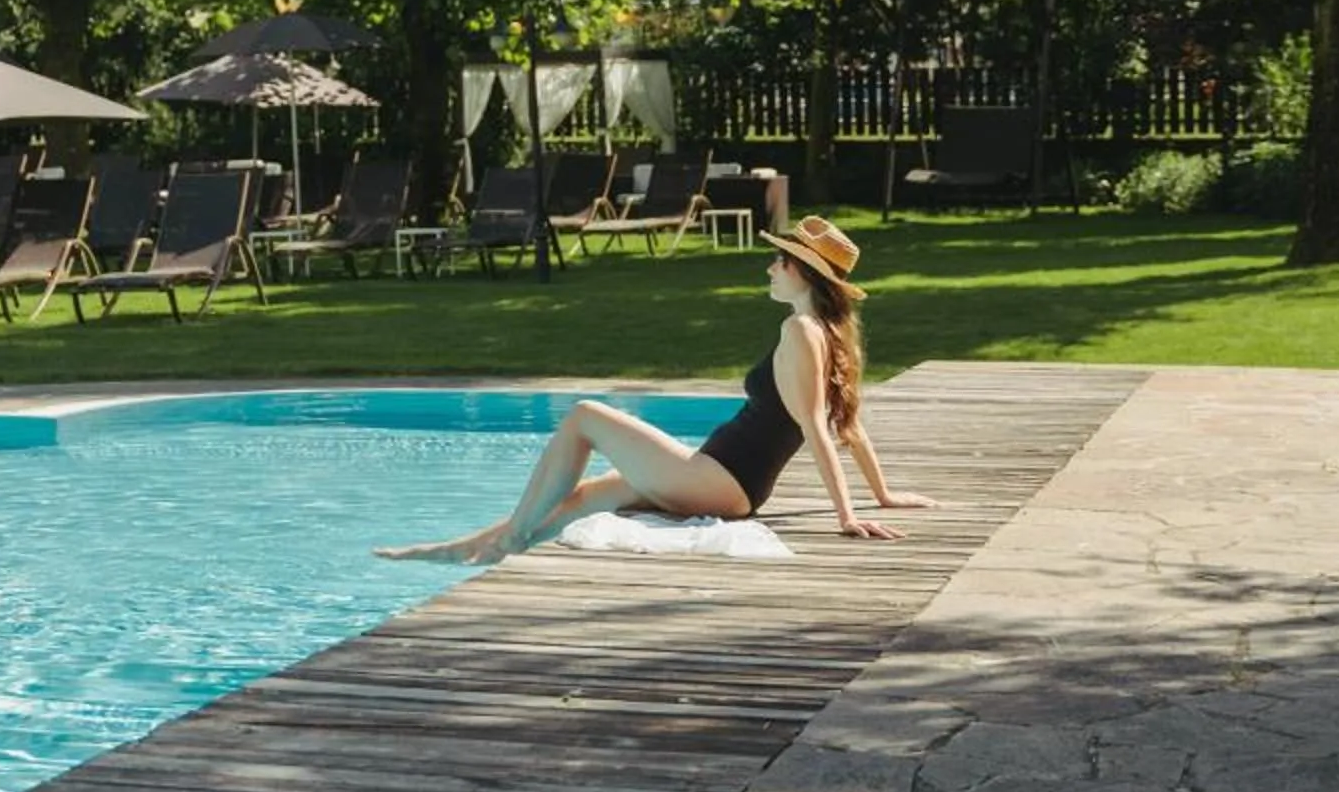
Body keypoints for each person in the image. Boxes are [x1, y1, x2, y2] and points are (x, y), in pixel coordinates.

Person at [377, 214, 934, 562]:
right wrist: (880, 495)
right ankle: (468, 548)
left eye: (779, 261)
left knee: (584, 416)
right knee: (588, 493)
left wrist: (847, 516)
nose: (769, 268)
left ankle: (510, 541)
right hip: (724, 479)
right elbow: (850, 426)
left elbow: (817, 425)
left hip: (717, 480)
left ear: (802, 273)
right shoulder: (831, 335)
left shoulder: (800, 330)